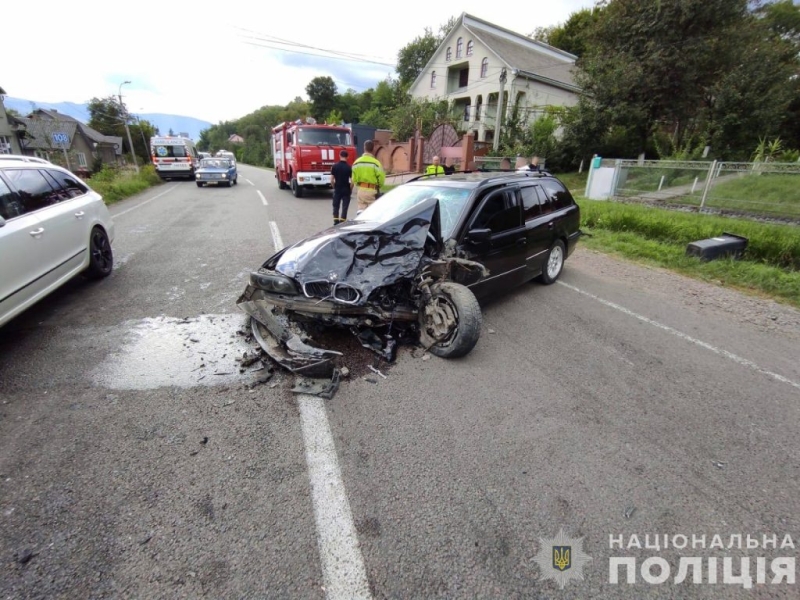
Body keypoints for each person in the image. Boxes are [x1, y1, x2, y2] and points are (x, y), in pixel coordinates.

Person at [352, 140, 386, 211]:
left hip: (361, 190)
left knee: (361, 210)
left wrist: (359, 185)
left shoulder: (356, 162)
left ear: (364, 148)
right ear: (373, 149)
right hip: (372, 190)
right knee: (372, 212)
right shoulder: (376, 163)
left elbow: (354, 179)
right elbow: (381, 179)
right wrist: (378, 186)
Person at [330, 149, 353, 226]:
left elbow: (332, 179)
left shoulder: (334, 166)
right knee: (345, 206)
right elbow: (352, 181)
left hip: (338, 188)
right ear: (347, 157)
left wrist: (334, 186)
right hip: (346, 188)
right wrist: (350, 188)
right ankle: (342, 221)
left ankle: (336, 221)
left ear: (339, 156)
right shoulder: (349, 167)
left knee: (336, 205)